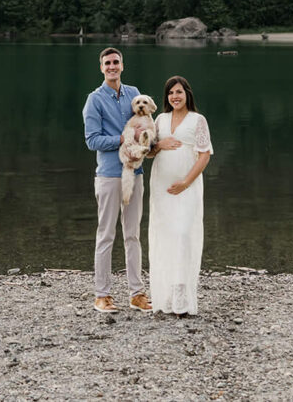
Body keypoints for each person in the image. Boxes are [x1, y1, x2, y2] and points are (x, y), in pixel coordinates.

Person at [82, 46, 181, 313]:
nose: (112, 66)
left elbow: (146, 128)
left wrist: (155, 146)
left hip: (135, 173)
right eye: (107, 63)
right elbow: (92, 140)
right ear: (101, 68)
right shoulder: (94, 100)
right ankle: (102, 295)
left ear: (122, 66)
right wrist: (123, 139)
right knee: (105, 235)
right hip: (109, 175)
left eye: (116, 62)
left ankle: (136, 293)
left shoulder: (134, 94)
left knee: (133, 235)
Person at [147, 74, 213, 316]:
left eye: (179, 92)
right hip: (161, 187)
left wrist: (186, 182)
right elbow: (148, 152)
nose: (175, 96)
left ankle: (183, 299)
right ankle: (164, 298)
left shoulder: (198, 120)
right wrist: (158, 146)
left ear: (187, 94)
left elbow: (204, 154)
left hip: (187, 186)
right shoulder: (160, 119)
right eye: (171, 93)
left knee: (184, 235)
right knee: (164, 236)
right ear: (167, 97)